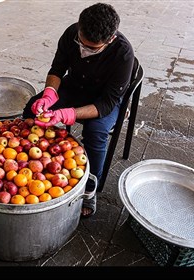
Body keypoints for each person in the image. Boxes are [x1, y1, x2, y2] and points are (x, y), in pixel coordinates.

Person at [23, 3, 134, 217]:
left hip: (104, 99)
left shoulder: (123, 54)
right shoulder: (71, 33)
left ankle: (91, 187)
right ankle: (29, 157)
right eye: (81, 43)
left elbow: (106, 104)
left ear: (110, 40)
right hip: (74, 86)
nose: (85, 50)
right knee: (32, 107)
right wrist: (49, 94)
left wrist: (67, 114)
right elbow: (57, 69)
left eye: (92, 48)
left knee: (95, 132)